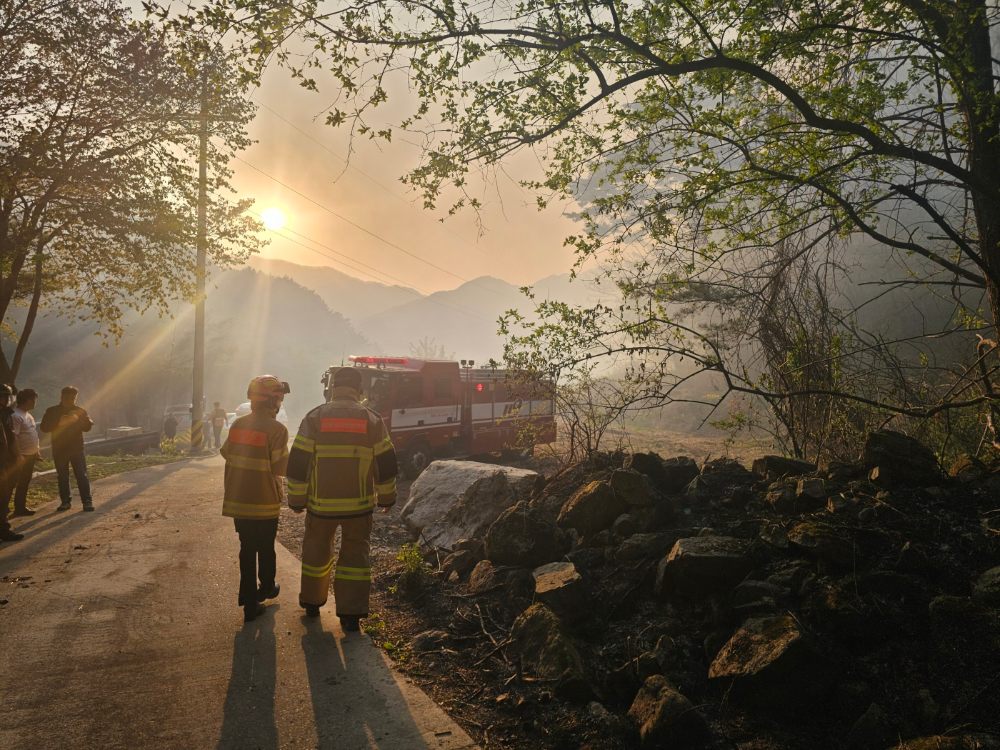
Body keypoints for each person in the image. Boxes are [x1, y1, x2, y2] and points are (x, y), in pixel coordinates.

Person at [286, 366, 398, 632]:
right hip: (358, 507)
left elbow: (299, 462)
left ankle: (312, 603)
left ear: (332, 389)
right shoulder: (372, 420)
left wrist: (297, 501)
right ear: (360, 391)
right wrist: (387, 498)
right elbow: (387, 462)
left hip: (320, 505)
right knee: (355, 558)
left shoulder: (315, 417)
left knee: (315, 552)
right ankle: (351, 615)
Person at [221, 375, 290, 623]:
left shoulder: (238, 425)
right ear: (272, 401)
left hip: (239, 501)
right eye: (279, 397)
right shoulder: (277, 429)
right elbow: (281, 468)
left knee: (247, 549)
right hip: (265, 502)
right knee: (266, 547)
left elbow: (226, 452)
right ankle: (267, 588)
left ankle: (250, 603)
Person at [39, 386, 94, 512]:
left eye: (72, 398)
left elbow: (87, 427)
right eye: (66, 398)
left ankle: (87, 501)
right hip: (59, 449)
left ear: (75, 398)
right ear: (61, 397)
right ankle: (65, 501)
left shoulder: (80, 411)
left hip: (76, 449)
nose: (69, 401)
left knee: (81, 475)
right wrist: (58, 424)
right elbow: (44, 428)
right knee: (62, 476)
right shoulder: (52, 411)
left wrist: (77, 421)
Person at [7, 388, 40, 517]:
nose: (34, 403)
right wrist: (18, 455)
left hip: (30, 455)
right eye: (33, 400)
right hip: (21, 456)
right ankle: (4, 509)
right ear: (27, 400)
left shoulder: (27, 414)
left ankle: (20, 507)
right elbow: (13, 437)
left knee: (24, 481)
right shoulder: (16, 415)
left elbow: (31, 434)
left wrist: (36, 451)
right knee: (12, 482)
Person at [0, 384, 24, 543]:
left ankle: (3, 529)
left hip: (5, 461)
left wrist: (17, 455)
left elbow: (11, 437)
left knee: (4, 496)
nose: (7, 400)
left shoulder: (6, 414)